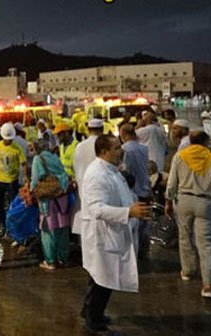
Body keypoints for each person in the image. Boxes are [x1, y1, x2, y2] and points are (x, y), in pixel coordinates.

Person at [79, 134, 151, 333]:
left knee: (100, 278)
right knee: (102, 280)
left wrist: (135, 209)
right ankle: (94, 322)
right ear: (104, 152)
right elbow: (96, 209)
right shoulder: (96, 174)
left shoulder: (112, 170)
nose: (122, 150)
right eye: (117, 147)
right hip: (103, 235)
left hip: (113, 232)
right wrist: (129, 212)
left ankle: (91, 313)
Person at [165, 130, 211, 298]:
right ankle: (207, 284)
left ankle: (187, 271)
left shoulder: (179, 157)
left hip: (184, 201)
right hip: (205, 202)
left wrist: (168, 200)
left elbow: (172, 183)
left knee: (184, 236)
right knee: (206, 242)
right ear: (206, 142)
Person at [31, 139, 71, 270]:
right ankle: (63, 258)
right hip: (61, 197)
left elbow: (36, 179)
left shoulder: (38, 159)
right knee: (62, 228)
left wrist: (31, 192)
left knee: (48, 230)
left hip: (48, 200)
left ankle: (50, 261)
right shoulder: (55, 157)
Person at [0, 122, 28, 238]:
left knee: (13, 206)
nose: (9, 141)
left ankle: (13, 229)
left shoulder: (17, 148)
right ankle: (4, 224)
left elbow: (24, 163)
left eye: (10, 139)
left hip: (12, 181)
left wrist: (26, 177)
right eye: (7, 139)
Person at [120, 124, 152, 255]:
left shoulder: (124, 149)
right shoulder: (144, 148)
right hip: (145, 187)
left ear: (123, 135)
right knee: (145, 221)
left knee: (134, 224)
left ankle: (135, 251)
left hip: (133, 190)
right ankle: (145, 249)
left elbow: (125, 170)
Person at [71, 119, 104, 234]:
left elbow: (75, 169)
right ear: (102, 129)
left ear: (88, 130)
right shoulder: (104, 145)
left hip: (83, 193)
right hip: (101, 193)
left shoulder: (79, 147)